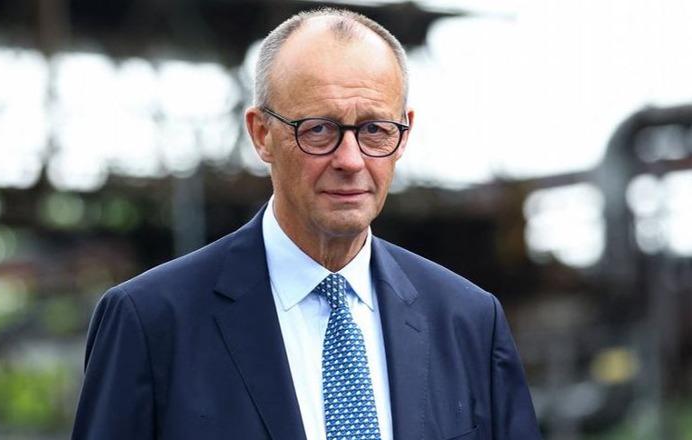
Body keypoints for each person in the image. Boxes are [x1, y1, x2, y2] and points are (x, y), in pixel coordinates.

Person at [72, 7, 541, 440]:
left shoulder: (469, 321)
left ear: (404, 135)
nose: (351, 160)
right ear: (261, 134)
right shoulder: (150, 321)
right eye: (319, 129)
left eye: (375, 130)